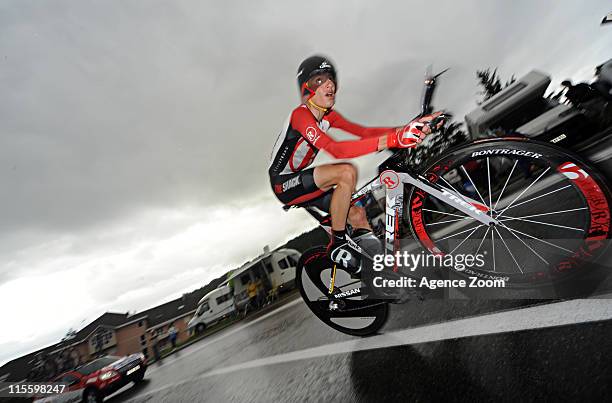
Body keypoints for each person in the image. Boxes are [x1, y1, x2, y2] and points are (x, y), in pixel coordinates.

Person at [268, 55, 440, 273]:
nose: (329, 84)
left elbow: (364, 133)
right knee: (345, 173)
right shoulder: (300, 116)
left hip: (306, 181)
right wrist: (393, 139)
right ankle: (338, 245)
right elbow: (336, 150)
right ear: (306, 89)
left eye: (331, 79)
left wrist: (407, 129)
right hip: (283, 184)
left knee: (357, 215)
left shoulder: (329, 116)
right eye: (319, 80)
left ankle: (382, 274)